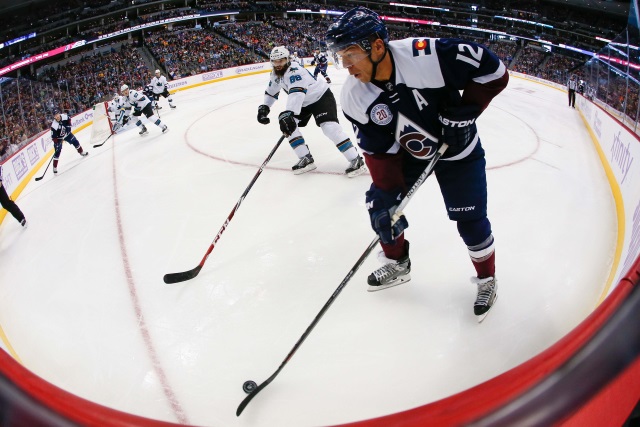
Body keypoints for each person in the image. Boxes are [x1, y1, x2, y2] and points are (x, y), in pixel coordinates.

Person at [326, 7, 509, 321]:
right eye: (339, 56)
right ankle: (399, 262)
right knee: (382, 210)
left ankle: (487, 278)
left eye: (351, 54)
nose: (345, 66)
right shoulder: (355, 97)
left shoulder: (428, 56)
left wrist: (468, 110)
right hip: (408, 154)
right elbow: (380, 154)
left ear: (378, 47)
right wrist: (387, 196)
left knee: (471, 220)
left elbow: (494, 71)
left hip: (459, 150)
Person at [257, 46, 366, 177]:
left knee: (329, 128)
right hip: (303, 103)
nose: (278, 64)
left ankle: (356, 159)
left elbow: (296, 93)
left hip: (320, 97)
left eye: (281, 61)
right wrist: (265, 107)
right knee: (287, 126)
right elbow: (271, 92)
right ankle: (305, 157)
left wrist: (290, 113)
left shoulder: (295, 71)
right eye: (275, 62)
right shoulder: (275, 74)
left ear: (287, 59)